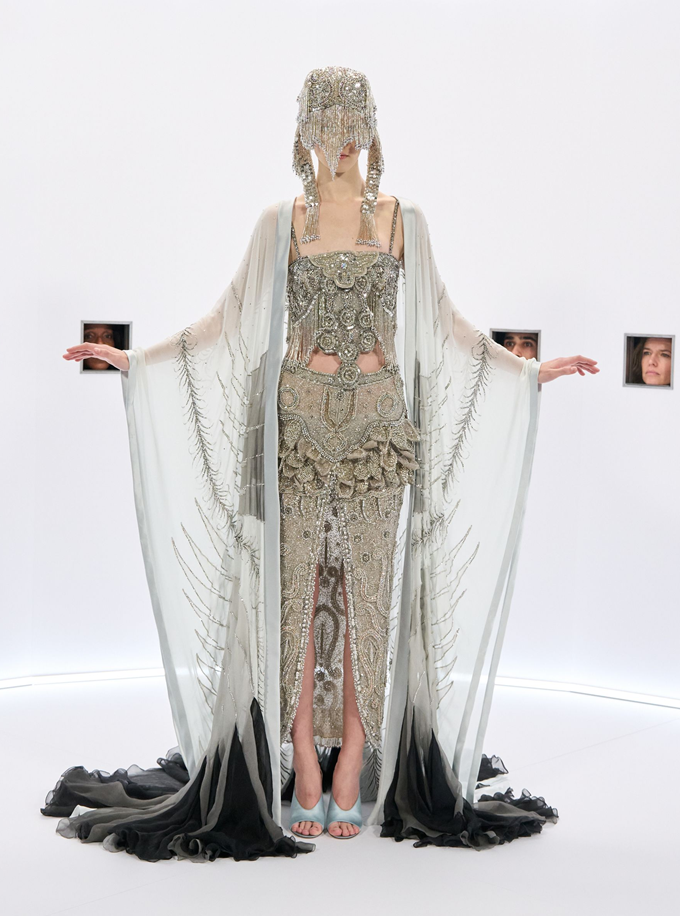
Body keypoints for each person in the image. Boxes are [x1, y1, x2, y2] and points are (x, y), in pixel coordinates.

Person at [48, 66, 598, 861]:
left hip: (378, 427)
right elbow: (226, 319)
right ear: (303, 130)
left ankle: (353, 762)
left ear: (370, 128)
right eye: (324, 121)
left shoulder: (402, 219)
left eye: (351, 122)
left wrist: (528, 372)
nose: (339, 138)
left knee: (370, 596)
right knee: (297, 597)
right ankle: (304, 758)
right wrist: (136, 360)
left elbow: (445, 323)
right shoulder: (282, 221)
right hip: (298, 423)